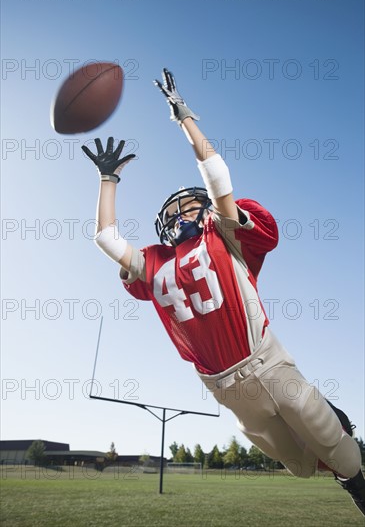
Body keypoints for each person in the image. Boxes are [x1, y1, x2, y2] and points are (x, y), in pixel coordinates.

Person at [83, 68, 365, 516]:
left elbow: (218, 175)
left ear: (206, 208)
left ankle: (357, 482)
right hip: (224, 388)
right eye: (174, 213)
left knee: (336, 445)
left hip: (266, 362)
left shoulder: (222, 234)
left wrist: (186, 119)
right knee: (299, 466)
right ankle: (332, 447)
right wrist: (108, 180)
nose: (182, 216)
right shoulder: (154, 262)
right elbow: (106, 239)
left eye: (190, 206)